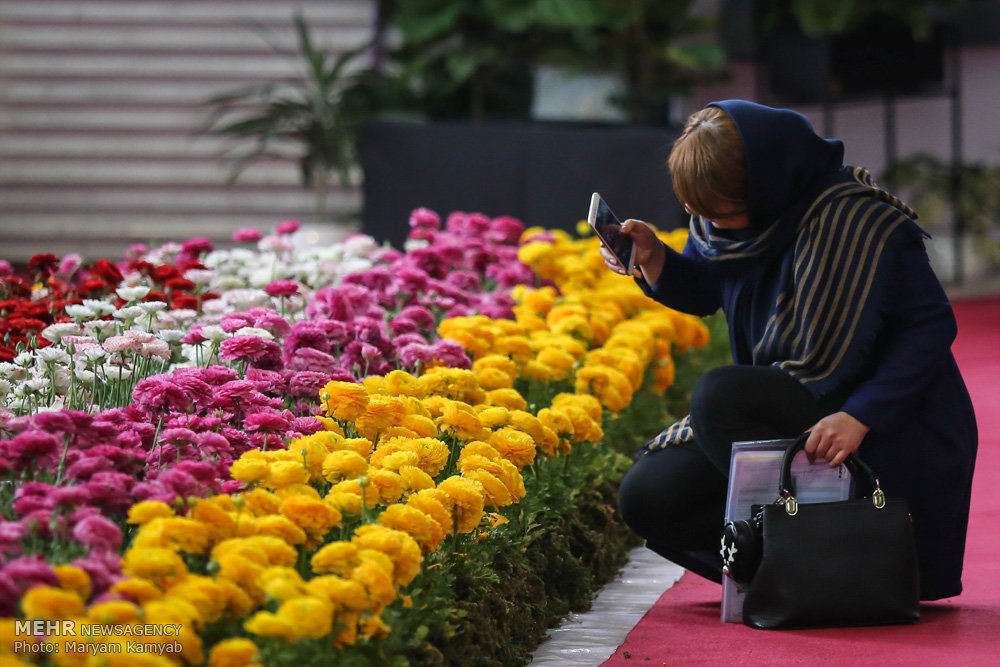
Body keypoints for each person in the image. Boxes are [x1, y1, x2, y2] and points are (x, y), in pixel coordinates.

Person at [604, 100, 978, 601]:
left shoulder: (861, 221)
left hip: (886, 423)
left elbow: (929, 327)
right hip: (794, 404)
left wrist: (860, 415)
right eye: (698, 211)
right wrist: (652, 259)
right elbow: (708, 288)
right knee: (650, 494)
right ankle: (798, 565)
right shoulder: (733, 224)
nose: (713, 223)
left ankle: (842, 561)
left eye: (725, 212)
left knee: (721, 394)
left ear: (768, 185)